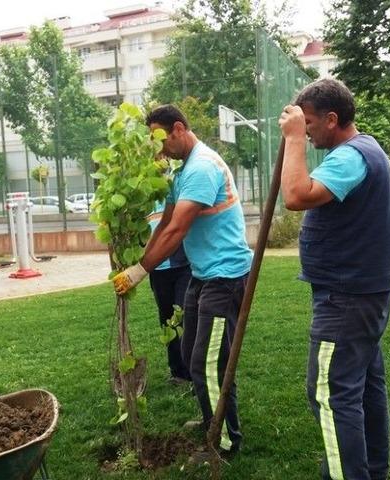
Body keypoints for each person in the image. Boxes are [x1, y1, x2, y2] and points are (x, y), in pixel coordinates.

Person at [113, 105, 252, 456]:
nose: (158, 150)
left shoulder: (202, 168)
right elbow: (163, 224)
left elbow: (178, 230)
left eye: (160, 139)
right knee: (192, 355)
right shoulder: (183, 171)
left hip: (225, 277)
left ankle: (225, 442)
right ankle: (211, 421)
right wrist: (139, 260)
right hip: (204, 275)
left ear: (178, 129)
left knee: (209, 364)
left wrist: (140, 270)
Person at [278, 78, 390, 480]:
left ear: (332, 119)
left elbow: (296, 195)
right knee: (363, 387)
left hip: (346, 299)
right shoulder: (366, 151)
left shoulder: (351, 157)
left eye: (310, 122)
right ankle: (372, 470)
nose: (306, 129)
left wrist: (293, 140)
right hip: (362, 294)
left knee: (329, 395)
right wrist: (299, 133)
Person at [147, 199, 192, 385]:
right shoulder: (145, 202)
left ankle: (190, 370)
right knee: (166, 320)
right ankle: (177, 371)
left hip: (182, 266)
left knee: (182, 316)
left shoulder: (176, 194)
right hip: (157, 270)